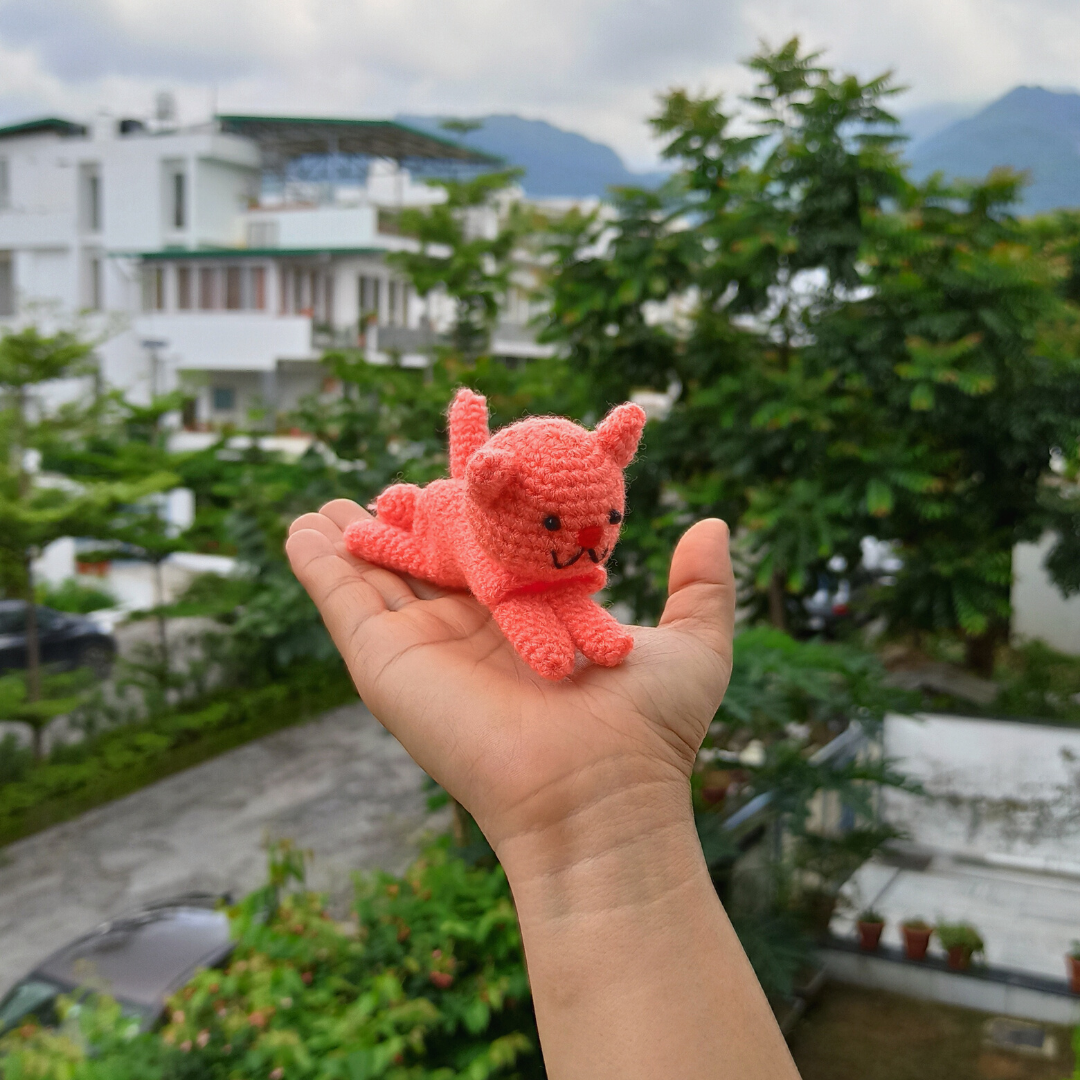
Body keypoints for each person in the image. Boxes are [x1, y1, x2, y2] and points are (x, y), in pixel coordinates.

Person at [287, 500, 802, 1079]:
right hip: (454, 544)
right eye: (556, 523)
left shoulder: (570, 561)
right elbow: (503, 598)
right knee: (412, 544)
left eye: (609, 518)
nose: (591, 535)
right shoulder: (477, 539)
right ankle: (394, 515)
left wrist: (600, 807)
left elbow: (576, 599)